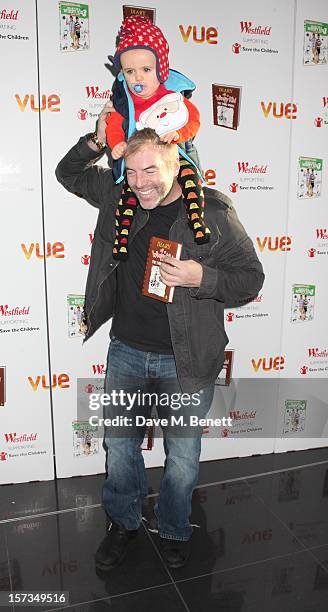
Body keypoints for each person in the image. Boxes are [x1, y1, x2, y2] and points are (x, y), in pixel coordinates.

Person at [56, 104, 265, 571]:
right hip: (126, 351)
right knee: (121, 445)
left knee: (183, 453)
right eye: (131, 171)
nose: (141, 181)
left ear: (174, 163)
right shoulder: (118, 200)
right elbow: (66, 173)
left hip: (185, 358)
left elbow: (250, 278)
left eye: (151, 169)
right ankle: (124, 523)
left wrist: (200, 277)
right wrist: (94, 140)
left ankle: (173, 528)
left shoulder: (211, 211)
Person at [106, 15, 211, 259]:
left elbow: (192, 118)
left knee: (190, 178)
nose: (138, 78)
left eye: (146, 70)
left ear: (160, 69)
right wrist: (116, 144)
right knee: (127, 196)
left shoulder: (172, 96)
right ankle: (121, 240)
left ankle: (197, 221)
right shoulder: (124, 102)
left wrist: (180, 134)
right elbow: (114, 124)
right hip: (136, 154)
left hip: (175, 151)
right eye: (130, 71)